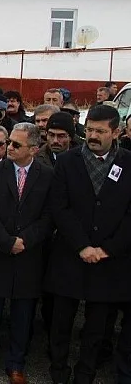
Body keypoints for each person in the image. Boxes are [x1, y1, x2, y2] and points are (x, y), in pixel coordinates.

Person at [45, 105, 131, 384]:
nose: (93, 135)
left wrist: (107, 249)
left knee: (97, 327)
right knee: (61, 321)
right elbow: (60, 207)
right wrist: (82, 245)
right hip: (71, 256)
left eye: (100, 131)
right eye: (90, 129)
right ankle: (58, 369)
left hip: (108, 261)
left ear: (116, 132)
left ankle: (86, 372)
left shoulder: (128, 163)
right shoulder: (68, 162)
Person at [0, 123, 53, 384]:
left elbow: (49, 216)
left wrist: (24, 240)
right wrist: (6, 242)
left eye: (15, 144)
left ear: (34, 149)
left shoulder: (48, 175)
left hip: (29, 255)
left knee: (22, 315)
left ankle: (16, 363)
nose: (9, 148)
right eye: (10, 143)